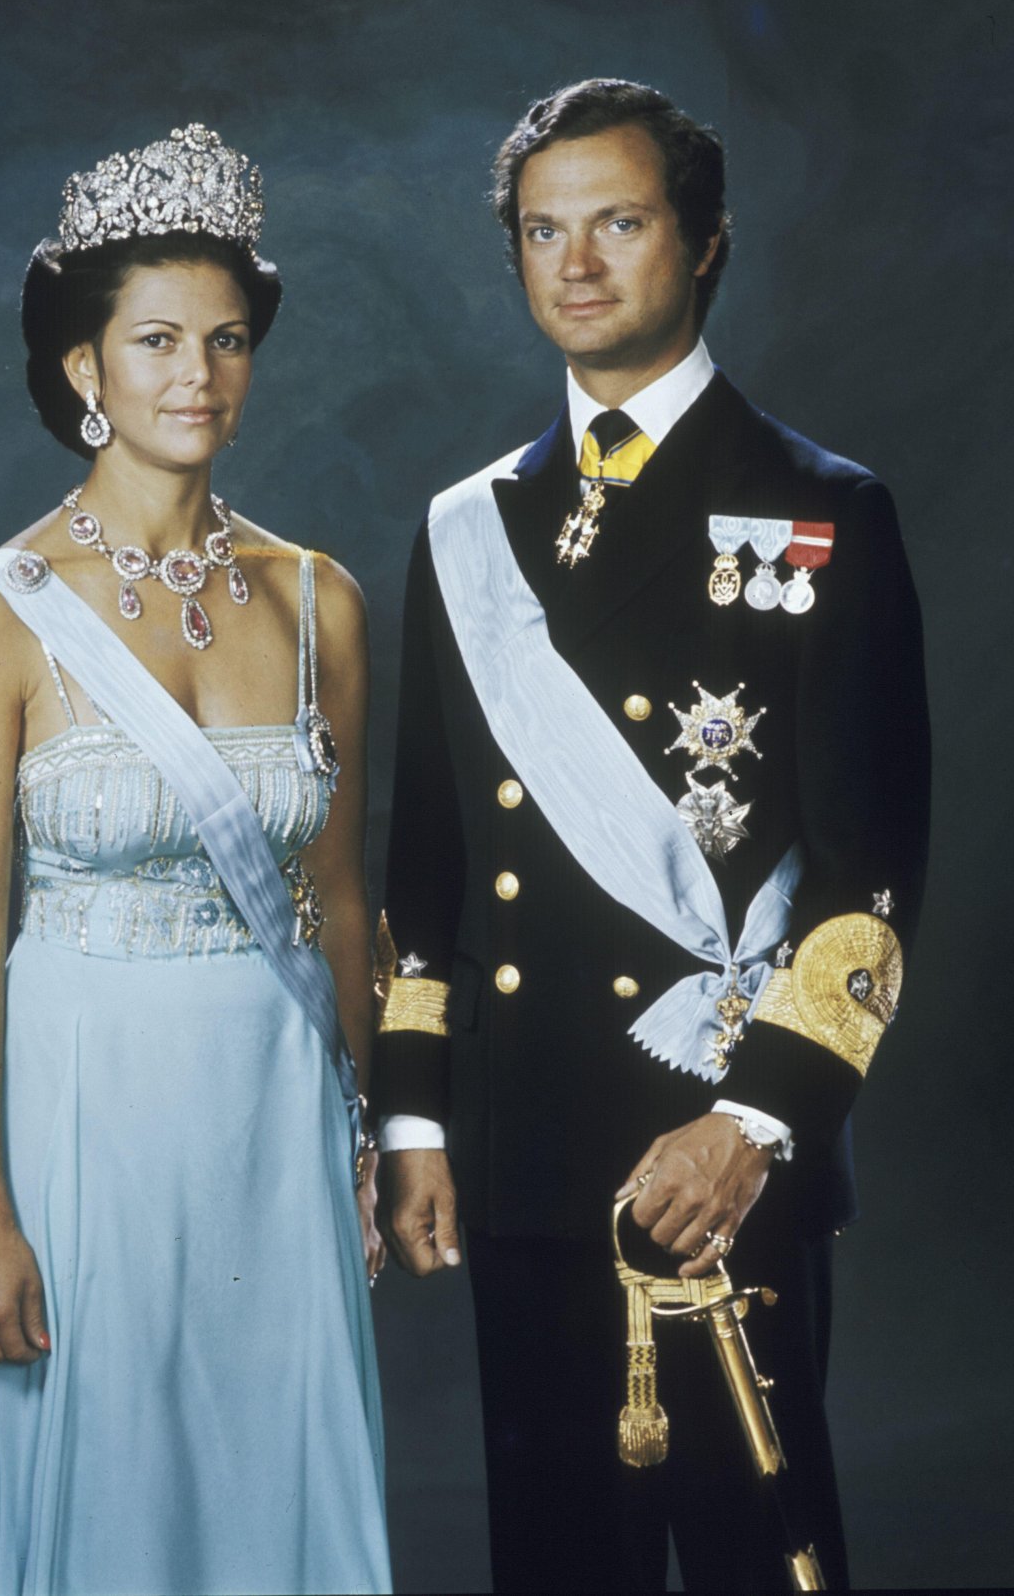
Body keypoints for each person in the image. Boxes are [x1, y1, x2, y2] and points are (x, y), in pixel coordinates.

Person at [373, 79, 929, 1593]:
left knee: (759, 1555)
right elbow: (423, 869)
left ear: (705, 241)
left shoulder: (821, 512)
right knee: (555, 1563)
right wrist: (414, 1118)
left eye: (618, 222)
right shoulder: (466, 527)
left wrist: (752, 1125)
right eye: (544, 232)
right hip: (523, 1144)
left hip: (716, 1143)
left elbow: (870, 887)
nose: (577, 263)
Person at [0, 123, 391, 1596]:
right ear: (86, 368)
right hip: (85, 1120)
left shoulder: (320, 599)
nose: (198, 375)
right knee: (113, 1503)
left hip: (275, 1119)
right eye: (159, 339)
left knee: (278, 1493)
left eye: (229, 339)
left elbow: (345, 899)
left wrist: (365, 1140)